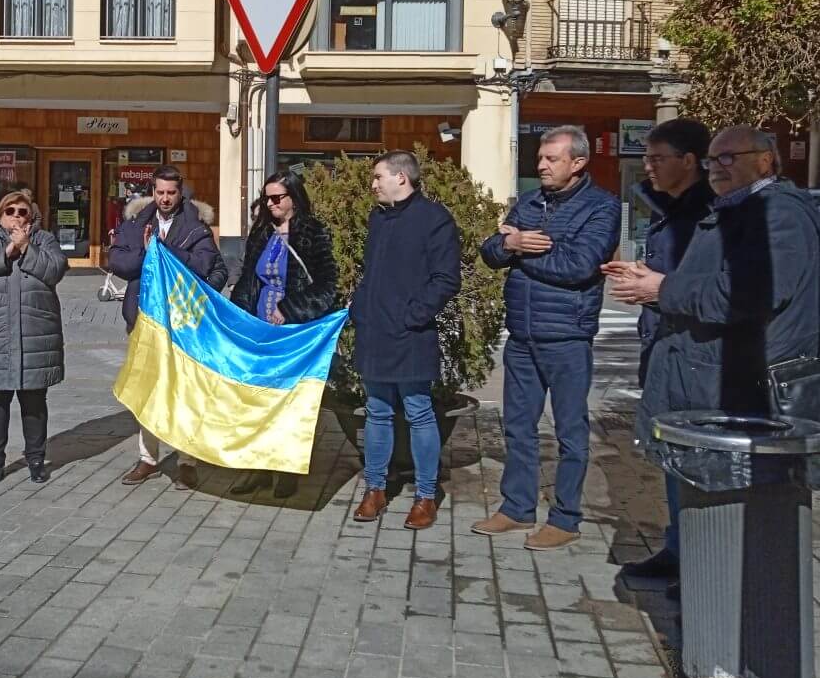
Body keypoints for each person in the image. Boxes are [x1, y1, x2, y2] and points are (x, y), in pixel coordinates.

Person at [614, 125, 820, 596]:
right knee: (694, 479)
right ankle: (687, 559)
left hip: (750, 387)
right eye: (712, 161)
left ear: (767, 161)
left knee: (733, 495)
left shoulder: (778, 215)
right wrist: (657, 280)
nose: (718, 168)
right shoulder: (734, 210)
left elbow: (746, 293)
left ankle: (717, 586)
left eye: (731, 158)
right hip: (707, 374)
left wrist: (662, 289)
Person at [477, 125, 619, 550]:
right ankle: (517, 507)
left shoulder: (602, 207)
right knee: (518, 426)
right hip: (522, 333)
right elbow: (489, 251)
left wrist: (517, 251)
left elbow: (578, 266)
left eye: (551, 159)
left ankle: (565, 516)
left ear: (577, 163)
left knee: (570, 431)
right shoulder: (529, 202)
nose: (540, 165)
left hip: (567, 336)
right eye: (539, 158)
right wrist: (516, 243)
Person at [601, 118, 711, 586]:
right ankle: (676, 549)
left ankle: (700, 565)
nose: (647, 167)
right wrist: (642, 272)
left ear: (689, 162)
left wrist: (658, 286)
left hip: (696, 357)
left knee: (694, 461)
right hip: (663, 345)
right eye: (645, 158)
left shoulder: (708, 214)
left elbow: (714, 287)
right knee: (672, 459)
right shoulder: (670, 209)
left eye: (657, 158)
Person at [350, 152, 461, 530]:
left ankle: (426, 496)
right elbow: (372, 274)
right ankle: (376, 488)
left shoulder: (434, 220)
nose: (373, 183)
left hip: (411, 335)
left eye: (378, 176)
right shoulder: (378, 219)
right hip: (375, 332)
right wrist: (360, 309)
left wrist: (412, 316)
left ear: (401, 177)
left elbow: (446, 279)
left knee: (418, 411)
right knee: (377, 411)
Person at [108, 166, 228, 490]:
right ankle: (148, 458)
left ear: (180, 191)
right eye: (160, 192)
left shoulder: (195, 226)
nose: (165, 198)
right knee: (148, 390)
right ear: (153, 191)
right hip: (145, 320)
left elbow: (207, 266)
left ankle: (187, 460)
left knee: (185, 391)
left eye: (170, 193)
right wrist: (146, 255)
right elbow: (117, 261)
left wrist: (164, 251)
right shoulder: (136, 222)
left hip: (182, 323)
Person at [229, 169, 340, 498]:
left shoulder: (312, 232)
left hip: (294, 334)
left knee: (290, 403)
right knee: (256, 401)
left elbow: (327, 285)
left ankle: (286, 470)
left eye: (277, 197)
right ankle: (256, 469)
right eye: (267, 198)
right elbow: (250, 277)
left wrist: (290, 309)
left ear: (294, 198)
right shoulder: (262, 232)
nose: (271, 203)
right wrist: (239, 318)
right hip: (260, 331)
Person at [0, 190, 68, 484]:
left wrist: (26, 248)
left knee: (34, 403)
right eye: (9, 211)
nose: (16, 216)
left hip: (35, 334)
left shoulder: (44, 241)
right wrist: (7, 252)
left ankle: (36, 459)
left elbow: (54, 270)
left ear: (31, 217)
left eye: (22, 211)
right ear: (0, 215)